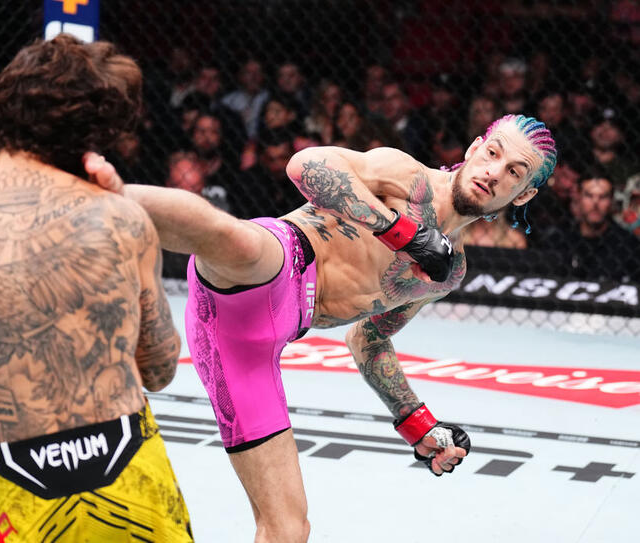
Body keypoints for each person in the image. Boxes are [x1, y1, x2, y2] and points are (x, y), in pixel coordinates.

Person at [86, 113, 557, 542]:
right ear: (476, 147)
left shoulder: (448, 272)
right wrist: (404, 232)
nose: (495, 171)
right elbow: (304, 165)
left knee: (289, 529)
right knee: (234, 240)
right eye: (493, 153)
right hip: (281, 260)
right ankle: (90, 196)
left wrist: (416, 424)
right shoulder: (408, 177)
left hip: (246, 348)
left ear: (526, 193)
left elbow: (369, 339)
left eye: (515, 171)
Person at [0, 35, 193, 542]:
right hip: (127, 466)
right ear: (98, 132)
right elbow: (158, 369)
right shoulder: (121, 218)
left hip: (9, 474)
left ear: (1, 111)